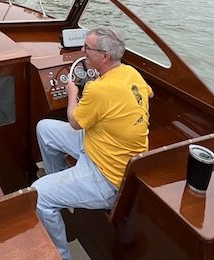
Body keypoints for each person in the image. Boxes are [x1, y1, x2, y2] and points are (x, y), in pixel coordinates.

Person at [32, 28, 153, 260]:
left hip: (108, 176)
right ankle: (59, 181)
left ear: (105, 57)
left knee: (39, 196)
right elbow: (149, 94)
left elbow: (75, 122)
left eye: (87, 48)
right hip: (103, 144)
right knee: (44, 129)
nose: (82, 51)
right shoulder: (130, 73)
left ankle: (62, 255)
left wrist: (71, 92)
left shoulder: (98, 89)